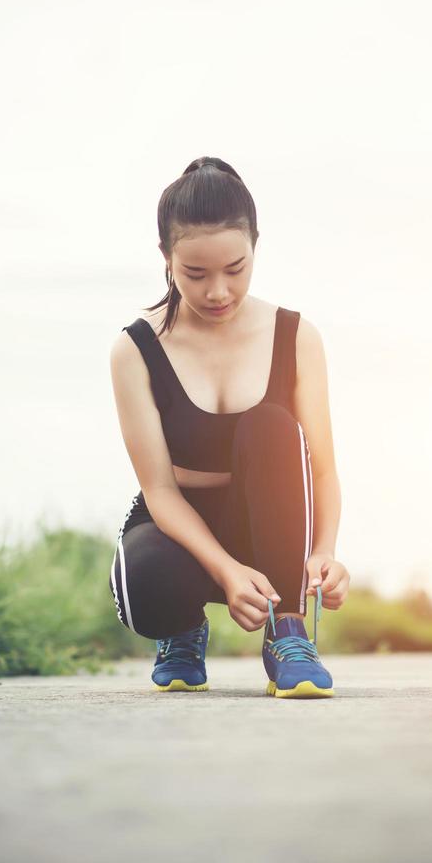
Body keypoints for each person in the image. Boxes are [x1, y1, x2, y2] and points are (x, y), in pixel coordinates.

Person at [108, 155, 349, 698]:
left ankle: (286, 629)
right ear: (167, 258)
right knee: (142, 580)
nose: (218, 291)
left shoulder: (296, 336)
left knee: (270, 425)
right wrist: (224, 571)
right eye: (195, 273)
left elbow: (324, 470)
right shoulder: (134, 351)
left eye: (235, 269)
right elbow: (160, 490)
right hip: (179, 524)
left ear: (255, 247)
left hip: (270, 524)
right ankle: (181, 628)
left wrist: (323, 553)